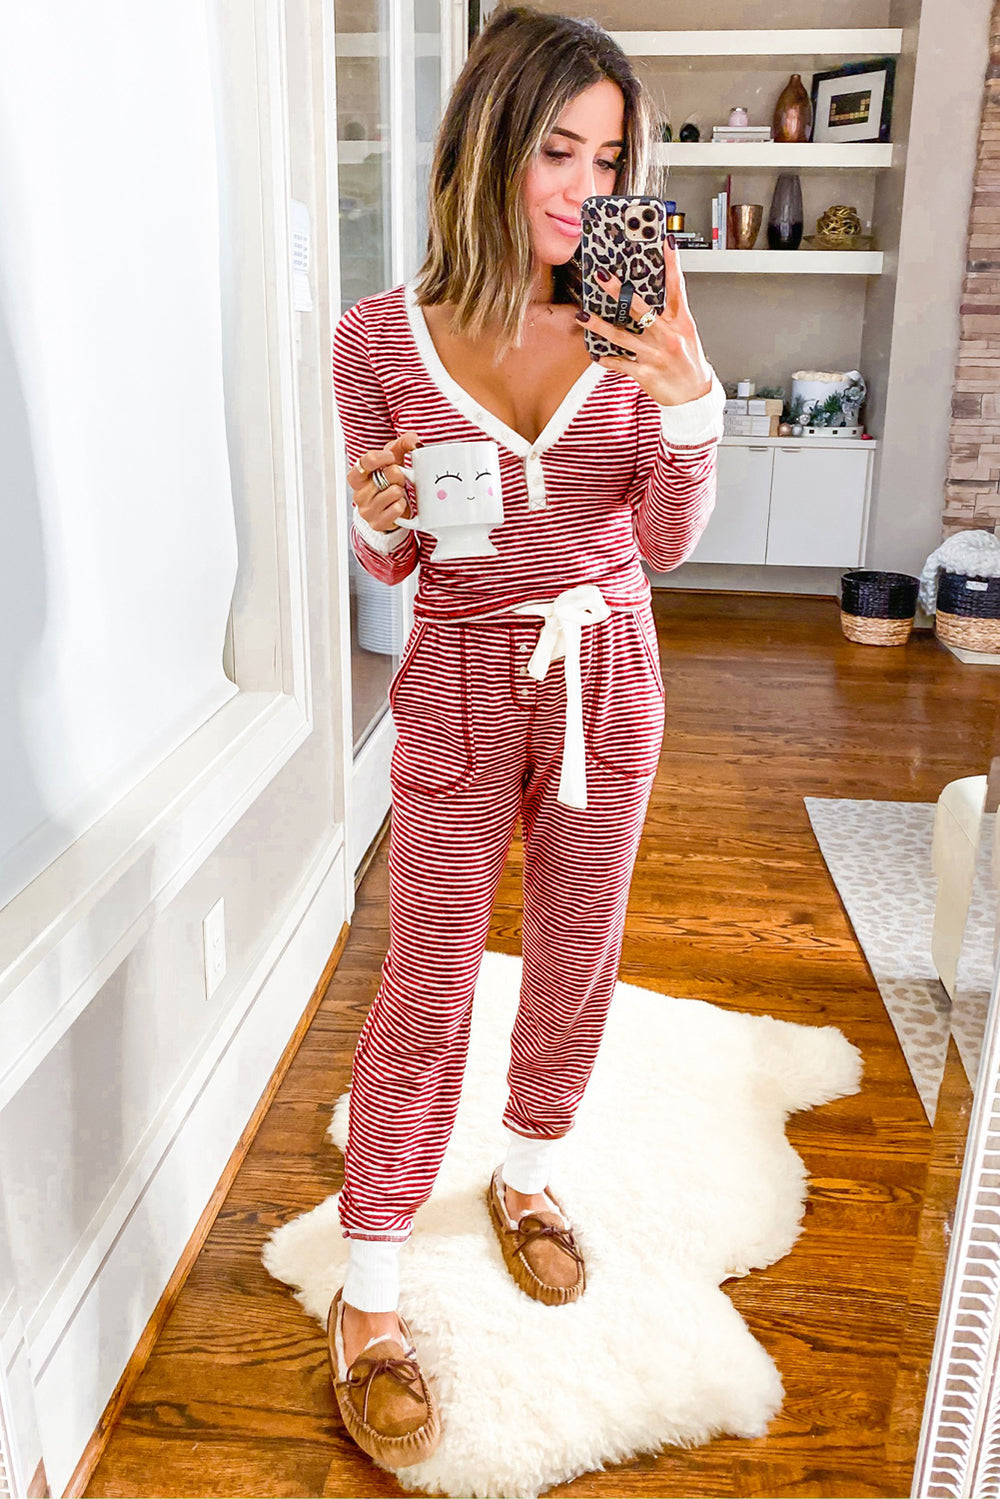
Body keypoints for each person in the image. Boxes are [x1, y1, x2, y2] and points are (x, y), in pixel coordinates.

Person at [328, 2, 725, 1470]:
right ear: (489, 144)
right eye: (557, 150)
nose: (583, 188)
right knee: (429, 972)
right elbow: (398, 559)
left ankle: (531, 1171)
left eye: (610, 160)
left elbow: (666, 541)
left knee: (577, 945)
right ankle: (370, 1283)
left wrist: (692, 405)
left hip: (604, 663)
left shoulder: (640, 320)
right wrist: (373, 518)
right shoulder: (378, 338)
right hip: (456, 670)